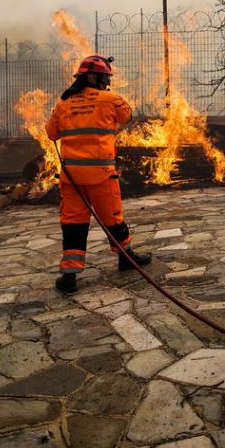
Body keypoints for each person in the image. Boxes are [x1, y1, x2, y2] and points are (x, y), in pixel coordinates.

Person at [46, 55, 151, 294]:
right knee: (112, 218)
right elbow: (127, 117)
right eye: (105, 78)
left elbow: (51, 134)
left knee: (73, 223)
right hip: (102, 174)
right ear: (95, 77)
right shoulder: (110, 99)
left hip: (72, 178)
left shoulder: (63, 102)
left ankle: (70, 276)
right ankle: (126, 258)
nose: (106, 83)